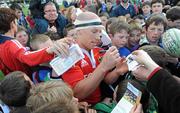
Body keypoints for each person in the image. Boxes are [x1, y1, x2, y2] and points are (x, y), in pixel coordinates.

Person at [62, 12, 127, 104]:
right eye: (94, 31)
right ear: (78, 32)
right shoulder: (67, 55)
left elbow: (106, 80)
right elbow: (78, 94)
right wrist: (103, 66)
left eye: (100, 32)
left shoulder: (98, 51)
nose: (98, 37)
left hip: (99, 103)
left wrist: (117, 71)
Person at [0, 8, 73, 75]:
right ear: (12, 24)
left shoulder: (2, 44)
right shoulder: (11, 43)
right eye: (16, 22)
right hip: (25, 78)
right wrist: (49, 50)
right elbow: (27, 57)